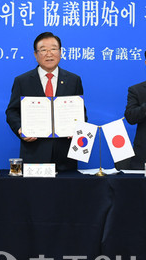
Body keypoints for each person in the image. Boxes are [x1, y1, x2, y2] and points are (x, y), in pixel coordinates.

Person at [6, 32, 86, 171]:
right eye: (43, 50)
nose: (49, 54)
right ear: (36, 55)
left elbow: (81, 112)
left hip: (65, 155)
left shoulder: (74, 80)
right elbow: (12, 112)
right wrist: (20, 129)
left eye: (54, 49)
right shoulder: (22, 81)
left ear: (60, 52)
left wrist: (78, 129)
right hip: (34, 153)